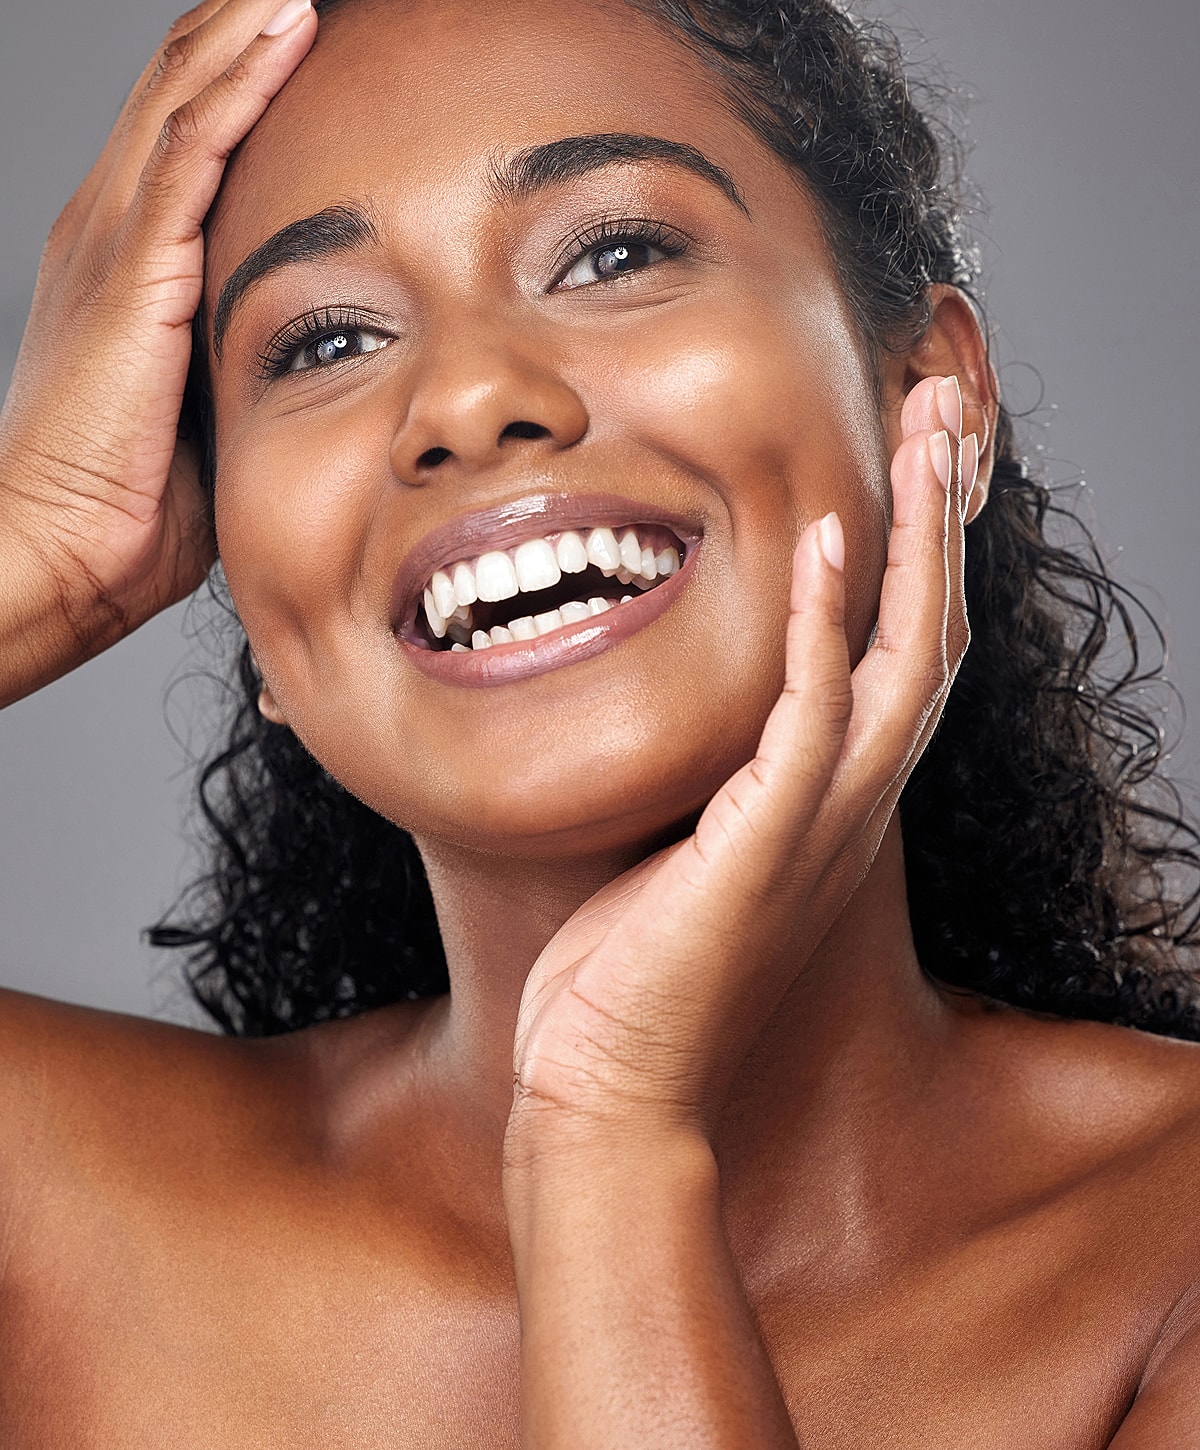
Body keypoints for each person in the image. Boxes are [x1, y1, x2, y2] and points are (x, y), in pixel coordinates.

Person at [1, 0, 1199, 1442]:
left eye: (614, 252)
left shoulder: (1164, 1252)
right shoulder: (57, 1217)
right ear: (250, 598)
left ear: (926, 391)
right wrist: (39, 553)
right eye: (323, 341)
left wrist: (608, 1139)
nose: (467, 397)